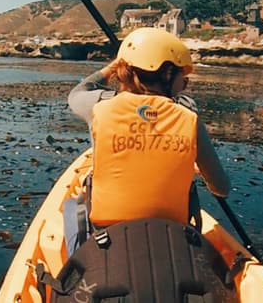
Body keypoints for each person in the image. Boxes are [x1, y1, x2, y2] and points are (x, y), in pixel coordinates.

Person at [68, 27, 230, 228]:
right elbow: (222, 188)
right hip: (173, 235)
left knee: (70, 208)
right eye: (184, 79)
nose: (185, 85)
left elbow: (76, 94)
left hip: (107, 236)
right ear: (168, 74)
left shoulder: (100, 106)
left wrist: (111, 69)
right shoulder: (188, 115)